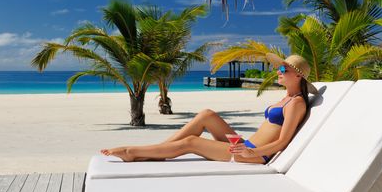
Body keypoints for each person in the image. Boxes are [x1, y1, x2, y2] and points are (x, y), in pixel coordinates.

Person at [100, 53, 319, 163]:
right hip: (246, 146)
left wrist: (252, 151)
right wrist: (246, 145)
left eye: (283, 69)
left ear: (298, 75)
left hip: (253, 156)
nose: (278, 71)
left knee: (191, 143)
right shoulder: (286, 98)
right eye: (279, 67)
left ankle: (132, 152)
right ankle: (158, 151)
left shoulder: (297, 103)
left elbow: (283, 142)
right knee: (207, 115)